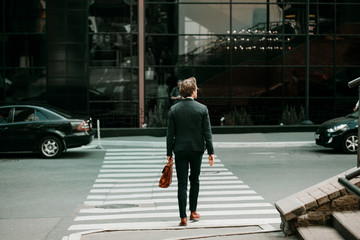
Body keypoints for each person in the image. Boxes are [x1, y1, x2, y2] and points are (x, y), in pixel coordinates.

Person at [166, 77, 215, 226]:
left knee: (182, 183)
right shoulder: (202, 109)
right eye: (196, 90)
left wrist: (169, 153)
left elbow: (170, 134)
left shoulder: (174, 109)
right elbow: (207, 132)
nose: (197, 91)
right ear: (192, 91)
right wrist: (210, 152)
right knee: (195, 179)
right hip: (196, 149)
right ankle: (193, 211)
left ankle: (183, 217)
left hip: (179, 150)